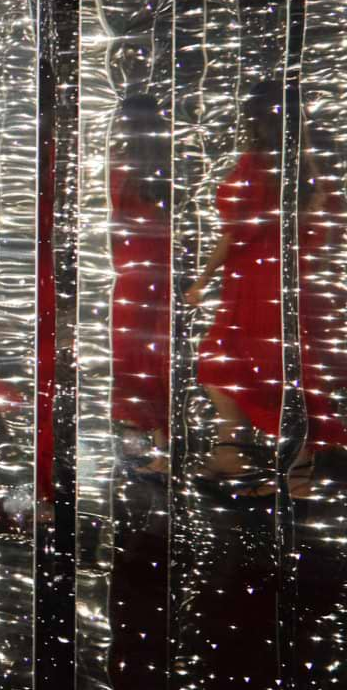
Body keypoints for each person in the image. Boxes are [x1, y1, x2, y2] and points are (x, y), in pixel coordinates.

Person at [186, 81, 346, 497]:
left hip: (256, 281)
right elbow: (330, 225)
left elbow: (234, 233)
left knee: (226, 363)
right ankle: (289, 469)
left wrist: (202, 280)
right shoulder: (310, 163)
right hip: (296, 278)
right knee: (286, 368)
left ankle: (245, 455)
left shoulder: (257, 164)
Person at [109, 94, 173, 477]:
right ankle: (161, 445)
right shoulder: (164, 171)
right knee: (155, 356)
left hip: (131, 276)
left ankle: (139, 442)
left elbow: (114, 223)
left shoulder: (120, 169)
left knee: (131, 356)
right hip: (158, 274)